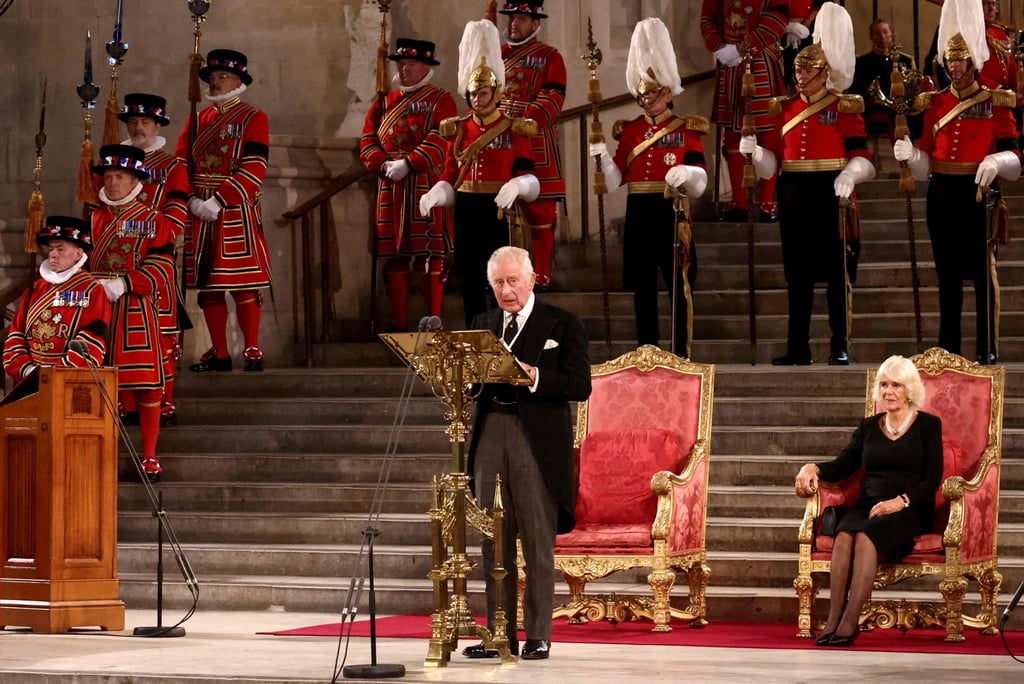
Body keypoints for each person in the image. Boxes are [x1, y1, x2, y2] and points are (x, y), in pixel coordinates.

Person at [461, 246, 591, 661]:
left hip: (536, 439)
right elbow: (471, 383)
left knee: (536, 539)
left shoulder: (563, 323)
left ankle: (538, 634)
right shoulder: (482, 323)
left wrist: (535, 376)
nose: (506, 290)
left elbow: (579, 385)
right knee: (491, 540)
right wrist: (464, 380)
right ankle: (499, 633)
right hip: (489, 435)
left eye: (513, 280)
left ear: (532, 279)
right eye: (498, 282)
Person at [742, 2, 876, 366]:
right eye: (798, 70)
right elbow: (774, 165)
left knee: (836, 275)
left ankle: (839, 344)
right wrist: (754, 154)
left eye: (809, 71)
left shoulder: (844, 107)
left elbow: (864, 157)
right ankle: (798, 346)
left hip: (830, 191)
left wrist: (850, 174)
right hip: (794, 193)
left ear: (823, 72)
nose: (801, 77)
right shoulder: (783, 108)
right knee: (796, 277)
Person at [893, 0, 1020, 364]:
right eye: (950, 60)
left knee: (983, 276)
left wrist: (997, 160)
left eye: (961, 60)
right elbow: (925, 165)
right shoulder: (934, 103)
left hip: (979, 194)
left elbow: (1015, 158)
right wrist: (910, 156)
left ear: (973, 61)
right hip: (942, 193)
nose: (954, 66)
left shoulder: (995, 101)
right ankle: (948, 351)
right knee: (947, 278)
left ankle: (986, 349)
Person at [794, 355, 943, 646]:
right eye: (883, 384)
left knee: (864, 534)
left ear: (909, 389)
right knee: (845, 532)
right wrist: (811, 467)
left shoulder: (928, 425)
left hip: (910, 507)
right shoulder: (869, 426)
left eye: (896, 385)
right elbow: (842, 465)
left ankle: (850, 621)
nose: (888, 391)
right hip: (870, 502)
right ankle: (834, 617)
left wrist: (900, 501)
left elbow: (932, 479)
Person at [588, 17, 709, 358]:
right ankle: (647, 352)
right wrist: (601, 159)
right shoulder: (628, 132)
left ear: (667, 93)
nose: (646, 100)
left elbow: (701, 181)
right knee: (642, 289)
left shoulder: (687, 128)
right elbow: (614, 183)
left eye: (652, 94)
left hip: (671, 213)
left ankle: (681, 354)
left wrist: (686, 171)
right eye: (642, 94)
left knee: (679, 289)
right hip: (638, 212)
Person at [419, 20, 539, 328]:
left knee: (500, 282)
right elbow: (451, 173)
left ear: (496, 92)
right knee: (471, 279)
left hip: (498, 211)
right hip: (467, 209)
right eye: (472, 94)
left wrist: (518, 184)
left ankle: (505, 336)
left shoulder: (514, 128)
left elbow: (531, 177)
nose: (476, 99)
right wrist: (437, 193)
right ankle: (476, 338)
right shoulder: (459, 129)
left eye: (483, 93)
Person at [176, 48, 272, 372]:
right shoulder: (196, 118)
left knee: (244, 284)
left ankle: (252, 349)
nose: (215, 82)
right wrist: (191, 201)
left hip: (234, 210)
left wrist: (219, 201)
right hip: (200, 210)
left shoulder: (253, 118)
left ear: (238, 80)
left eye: (222, 77)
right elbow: (179, 165)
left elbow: (255, 166)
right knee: (209, 286)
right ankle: (219, 352)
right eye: (212, 77)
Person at [90, 144, 178, 482]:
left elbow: (162, 267)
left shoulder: (154, 219)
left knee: (145, 386)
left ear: (135, 180)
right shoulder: (94, 218)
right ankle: (102, 452)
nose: (113, 183)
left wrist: (125, 283)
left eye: (120, 176)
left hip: (136, 310)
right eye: (109, 176)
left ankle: (150, 454)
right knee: (99, 386)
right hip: (97, 311)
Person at [359, 37, 457, 331]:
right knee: (394, 257)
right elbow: (367, 141)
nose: (404, 70)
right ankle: (399, 323)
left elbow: (444, 138)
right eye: (401, 65)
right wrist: (382, 163)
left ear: (426, 66)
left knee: (431, 255)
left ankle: (434, 321)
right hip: (390, 187)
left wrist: (410, 163)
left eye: (411, 64)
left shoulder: (442, 99)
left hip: (426, 183)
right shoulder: (383, 102)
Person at [119, 92, 191, 426]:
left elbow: (175, 218)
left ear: (158, 124)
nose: (137, 127)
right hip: (116, 265)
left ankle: (165, 402)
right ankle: (128, 405)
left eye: (144, 121)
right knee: (120, 336)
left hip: (154, 260)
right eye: (132, 121)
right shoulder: (113, 167)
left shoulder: (172, 167)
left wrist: (140, 230)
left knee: (162, 335)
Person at [498, 1, 566, 287]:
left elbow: (554, 95)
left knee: (540, 212)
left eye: (522, 18)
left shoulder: (549, 56)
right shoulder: (497, 55)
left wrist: (529, 118)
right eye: (513, 18)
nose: (515, 23)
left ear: (536, 23)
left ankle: (541, 274)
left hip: (534, 137)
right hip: (499, 138)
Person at [700, 0, 788, 222]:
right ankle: (739, 202)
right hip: (730, 66)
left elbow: (778, 16)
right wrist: (720, 47)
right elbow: (708, 18)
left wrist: (743, 47)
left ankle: (767, 201)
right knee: (733, 136)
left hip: (762, 61)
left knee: (769, 134)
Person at [3, 216, 110, 382]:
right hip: (30, 381)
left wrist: (54, 375)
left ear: (78, 254)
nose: (53, 254)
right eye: (51, 249)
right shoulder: (35, 288)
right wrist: (28, 370)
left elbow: (93, 341)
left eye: (60, 249)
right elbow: (16, 334)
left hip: (69, 383)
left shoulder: (92, 290)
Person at [849, 19, 922, 140]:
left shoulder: (906, 60)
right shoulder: (863, 62)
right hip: (878, 105)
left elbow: (913, 86)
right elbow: (857, 89)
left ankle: (917, 148)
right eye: (877, 33)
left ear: (891, 34)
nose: (882, 36)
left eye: (885, 32)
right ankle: (900, 150)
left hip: (903, 102)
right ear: (871, 37)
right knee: (894, 114)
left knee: (921, 111)